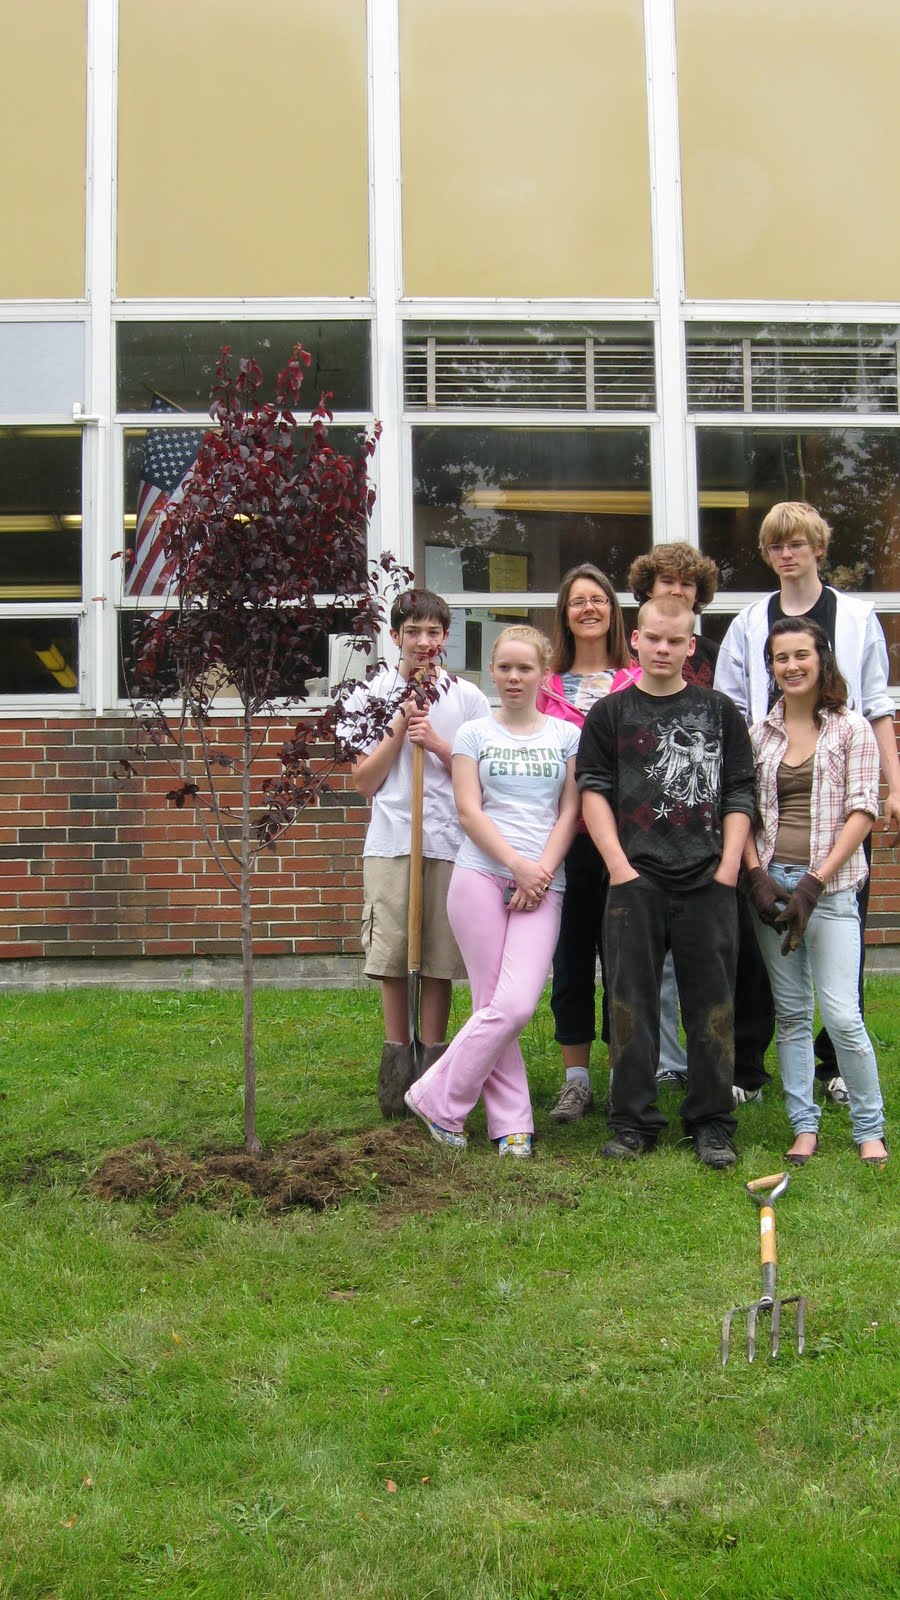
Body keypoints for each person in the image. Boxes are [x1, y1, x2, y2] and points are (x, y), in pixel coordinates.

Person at [715, 501, 900, 1105]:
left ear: (818, 546)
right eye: (775, 546)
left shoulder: (856, 616)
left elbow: (877, 706)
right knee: (761, 922)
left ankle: (836, 1065)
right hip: (768, 793)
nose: (786, 554)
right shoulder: (748, 622)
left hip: (840, 800)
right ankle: (750, 1064)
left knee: (841, 924)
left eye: (797, 543)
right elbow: (732, 713)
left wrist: (891, 786)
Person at [576, 597, 755, 1168]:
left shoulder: (721, 712)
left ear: (690, 645)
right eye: (653, 638)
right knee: (629, 1003)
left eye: (675, 641)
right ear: (635, 640)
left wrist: (728, 868)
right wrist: (619, 868)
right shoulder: (610, 714)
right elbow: (594, 791)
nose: (662, 649)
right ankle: (632, 1122)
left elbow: (738, 792)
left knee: (713, 1006)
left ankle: (712, 1123)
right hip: (636, 881)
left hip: (708, 879)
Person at [405, 626, 581, 1157]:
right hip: (480, 875)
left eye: (524, 668)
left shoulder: (565, 737)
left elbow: (570, 811)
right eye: (503, 667)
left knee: (515, 1004)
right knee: (491, 1003)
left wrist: (539, 873)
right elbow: (468, 810)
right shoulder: (473, 735)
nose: (512, 677)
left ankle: (437, 1097)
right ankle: (511, 1125)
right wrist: (514, 866)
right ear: (492, 671)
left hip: (544, 883)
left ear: (542, 674)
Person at [628, 542, 775, 1102]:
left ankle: (742, 1065)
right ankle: (666, 1061)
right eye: (667, 582)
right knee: (651, 962)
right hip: (647, 831)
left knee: (729, 955)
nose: (677, 591)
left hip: (715, 825)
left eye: (688, 585)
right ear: (646, 594)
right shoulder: (635, 662)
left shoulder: (715, 657)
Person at [743, 619, 888, 1164]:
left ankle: (868, 1127)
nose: (792, 666)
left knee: (842, 1013)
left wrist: (814, 882)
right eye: (781, 658)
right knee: (793, 1014)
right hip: (772, 890)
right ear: (772, 668)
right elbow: (747, 814)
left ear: (821, 658)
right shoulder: (761, 735)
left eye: (801, 655)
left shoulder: (852, 728)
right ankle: (804, 1126)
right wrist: (757, 876)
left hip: (829, 892)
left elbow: (863, 811)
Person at [343, 589, 489, 1091]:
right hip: (391, 840)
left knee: (437, 956)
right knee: (392, 955)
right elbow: (364, 780)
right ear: (395, 636)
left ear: (445, 637)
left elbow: (479, 776)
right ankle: (396, 1060)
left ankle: (432, 1063)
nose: (423, 642)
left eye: (433, 632)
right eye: (412, 632)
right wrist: (401, 724)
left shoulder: (467, 698)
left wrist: (440, 744)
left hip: (448, 840)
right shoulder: (367, 696)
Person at [535, 564, 636, 1123]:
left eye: (599, 599)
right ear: (565, 614)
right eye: (578, 601)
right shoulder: (545, 687)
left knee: (624, 960)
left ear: (613, 611)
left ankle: (624, 1075)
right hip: (562, 842)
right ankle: (576, 1080)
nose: (589, 609)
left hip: (624, 843)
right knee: (571, 959)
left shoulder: (638, 681)